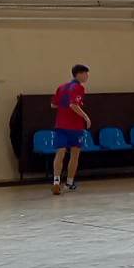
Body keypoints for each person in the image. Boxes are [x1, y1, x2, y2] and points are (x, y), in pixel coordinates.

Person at [50, 64, 91, 195]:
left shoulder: (61, 87)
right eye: (85, 73)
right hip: (75, 126)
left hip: (61, 125)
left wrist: (64, 108)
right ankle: (69, 183)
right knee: (75, 154)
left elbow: (53, 105)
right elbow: (73, 104)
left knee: (60, 153)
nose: (87, 76)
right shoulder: (79, 87)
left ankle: (56, 181)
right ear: (78, 74)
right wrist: (85, 117)